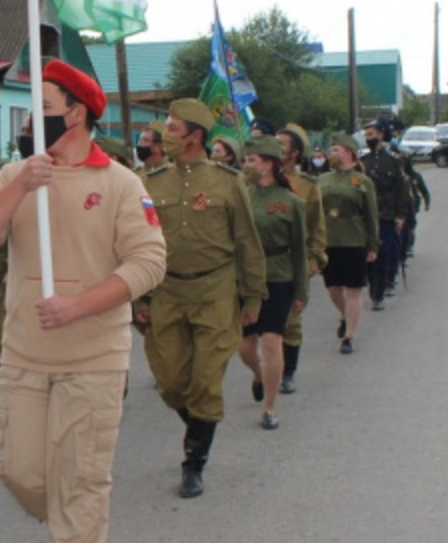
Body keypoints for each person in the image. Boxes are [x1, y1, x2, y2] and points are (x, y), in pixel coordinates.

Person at [0, 60, 166, 543]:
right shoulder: (21, 174)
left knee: (81, 475)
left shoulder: (122, 183)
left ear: (74, 111)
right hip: (24, 355)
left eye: (42, 102)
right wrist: (21, 183)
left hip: (94, 355)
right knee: (21, 473)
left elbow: (149, 262)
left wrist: (82, 305)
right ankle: (71, 515)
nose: (29, 116)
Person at [139, 98, 266, 499]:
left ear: (195, 137)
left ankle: (194, 462)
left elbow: (247, 241)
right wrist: (138, 295)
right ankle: (198, 422)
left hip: (215, 293)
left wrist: (253, 298)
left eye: (173, 129)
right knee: (173, 383)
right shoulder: (151, 182)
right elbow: (137, 242)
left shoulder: (228, 182)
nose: (164, 136)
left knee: (206, 380)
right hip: (167, 292)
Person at [235, 138, 308, 431]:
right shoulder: (240, 196)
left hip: (278, 276)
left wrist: (301, 291)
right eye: (246, 160)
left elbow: (299, 250)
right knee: (244, 344)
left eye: (253, 160)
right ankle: (258, 373)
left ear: (268, 164)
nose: (247, 165)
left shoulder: (291, 202)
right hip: (244, 277)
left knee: (272, 340)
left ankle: (269, 406)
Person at [276, 124, 328, 395]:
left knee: (291, 321)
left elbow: (317, 228)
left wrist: (315, 259)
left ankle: (288, 371)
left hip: (292, 260)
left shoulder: (307, 187)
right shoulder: (253, 182)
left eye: (281, 145)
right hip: (261, 262)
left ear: (294, 153)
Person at [318, 135, 379, 353]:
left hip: (354, 239)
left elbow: (371, 214)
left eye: (338, 150)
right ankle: (345, 315)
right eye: (332, 150)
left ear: (350, 154)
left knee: (354, 289)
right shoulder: (322, 180)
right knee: (333, 286)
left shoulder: (362, 181)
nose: (334, 153)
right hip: (329, 239)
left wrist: (373, 245)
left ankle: (349, 336)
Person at [360, 118, 409, 309]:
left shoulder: (393, 162)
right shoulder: (363, 162)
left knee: (383, 255)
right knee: (369, 256)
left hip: (386, 215)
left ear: (381, 135)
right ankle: (373, 286)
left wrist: (400, 215)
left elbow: (400, 191)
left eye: (371, 134)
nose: (368, 138)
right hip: (366, 217)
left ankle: (378, 294)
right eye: (366, 135)